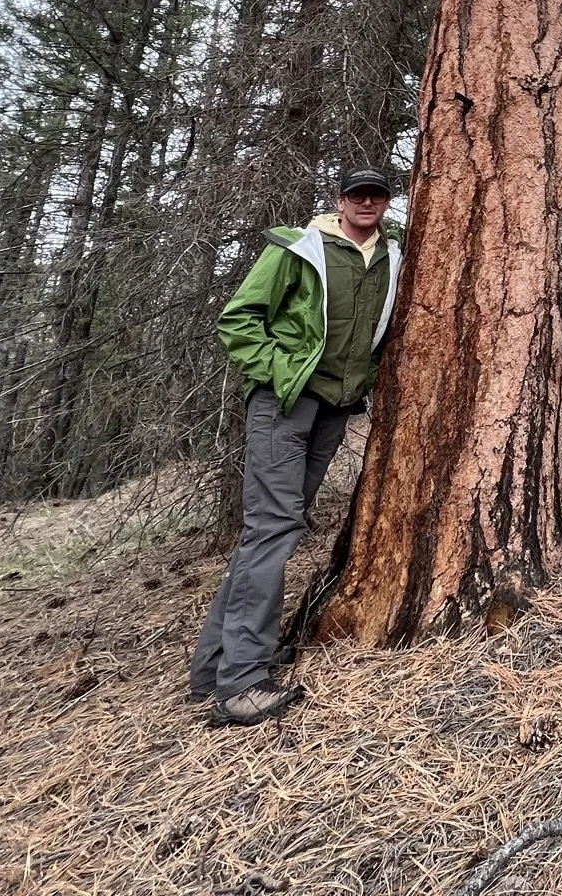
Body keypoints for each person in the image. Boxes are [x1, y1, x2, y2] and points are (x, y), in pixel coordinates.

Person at [187, 166, 401, 725]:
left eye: (376, 194)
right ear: (340, 199)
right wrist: (280, 372)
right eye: (357, 193)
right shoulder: (300, 247)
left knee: (274, 527)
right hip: (284, 405)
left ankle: (213, 668)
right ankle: (242, 682)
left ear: (385, 202)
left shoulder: (390, 257)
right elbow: (238, 319)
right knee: (274, 529)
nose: (366, 202)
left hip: (335, 408)